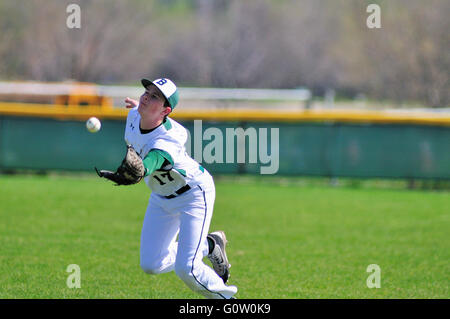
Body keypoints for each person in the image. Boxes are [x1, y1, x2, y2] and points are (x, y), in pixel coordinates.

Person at [121, 77, 237, 299]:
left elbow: (155, 158)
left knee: (188, 268)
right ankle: (209, 245)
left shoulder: (172, 138)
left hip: (193, 195)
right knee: (151, 264)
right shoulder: (134, 116)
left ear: (166, 111)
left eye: (155, 96)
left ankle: (229, 301)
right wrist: (142, 108)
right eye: (147, 91)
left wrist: (140, 170)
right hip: (161, 197)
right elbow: (144, 125)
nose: (146, 96)